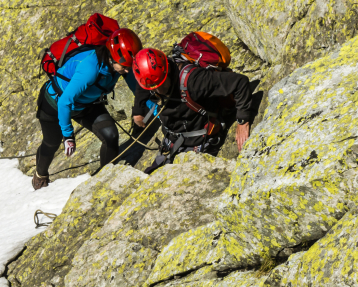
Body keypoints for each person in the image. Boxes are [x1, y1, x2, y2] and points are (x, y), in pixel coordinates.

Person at [33, 28, 143, 189]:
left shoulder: (118, 64)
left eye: (129, 67)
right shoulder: (90, 68)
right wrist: (68, 136)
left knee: (110, 135)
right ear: (112, 57)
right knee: (52, 142)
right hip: (54, 102)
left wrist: (149, 108)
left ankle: (103, 182)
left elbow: (137, 88)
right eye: (125, 67)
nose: (127, 71)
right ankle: (40, 175)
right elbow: (65, 102)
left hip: (85, 104)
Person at [130, 47, 260, 172]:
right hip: (172, 141)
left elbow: (240, 82)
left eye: (160, 85)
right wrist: (138, 110)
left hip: (198, 142)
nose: (157, 91)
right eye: (152, 88)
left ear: (167, 72)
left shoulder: (195, 81)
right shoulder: (157, 73)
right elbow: (146, 82)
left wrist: (243, 121)